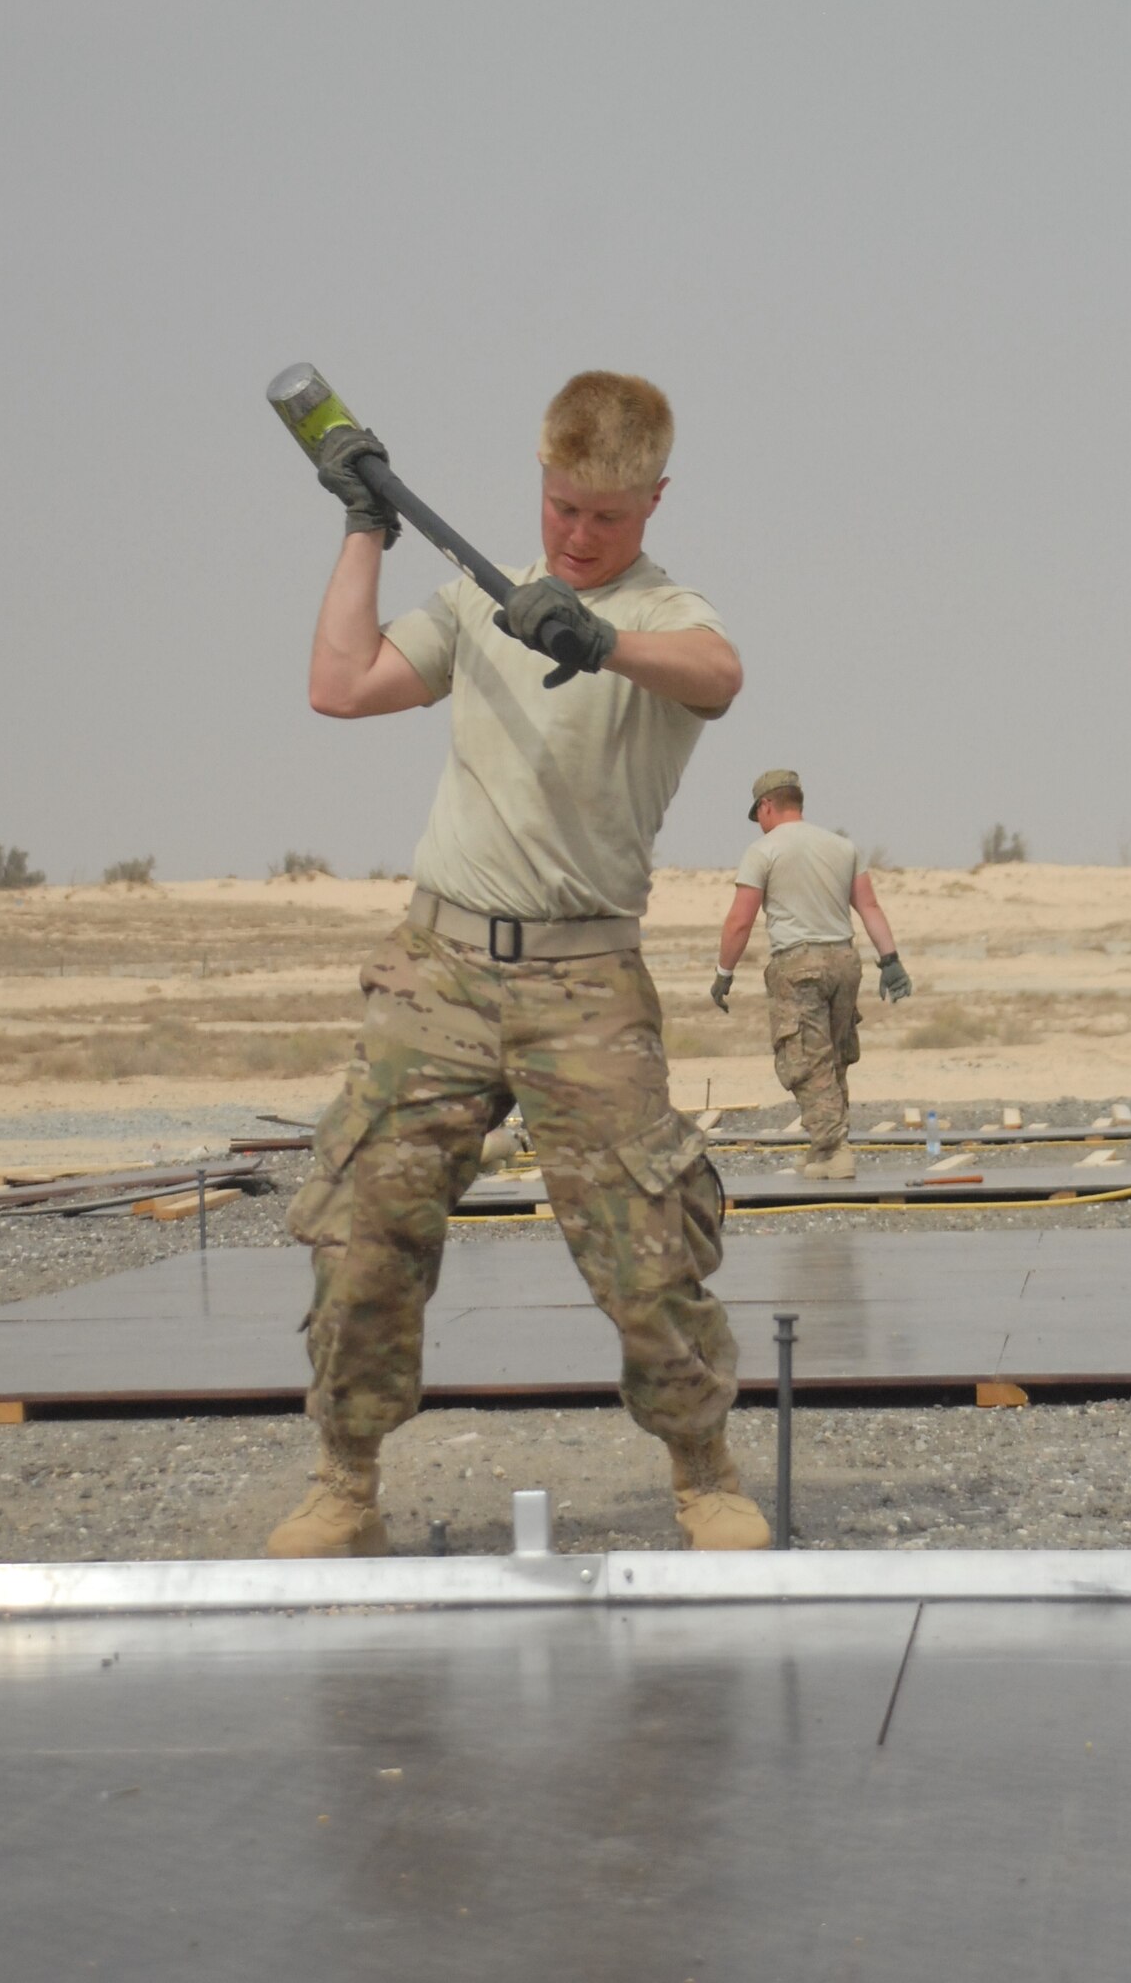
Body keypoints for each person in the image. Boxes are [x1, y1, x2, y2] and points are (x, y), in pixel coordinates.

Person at [267, 371, 771, 1558]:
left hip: (583, 981)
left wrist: (600, 639)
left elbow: (719, 674)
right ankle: (344, 1479)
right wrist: (361, 530)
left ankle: (703, 1470)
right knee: (364, 1227)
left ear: (652, 499)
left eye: (602, 515)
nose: (575, 536)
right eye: (557, 510)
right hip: (437, 967)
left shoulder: (666, 612)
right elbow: (337, 687)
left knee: (647, 1249)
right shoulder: (474, 601)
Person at [711, 770, 912, 1178]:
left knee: (805, 1059)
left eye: (759, 814)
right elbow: (868, 907)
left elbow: (739, 921)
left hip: (797, 964)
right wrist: (890, 959)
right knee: (833, 1056)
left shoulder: (763, 851)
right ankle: (823, 1149)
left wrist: (723, 972)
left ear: (767, 805)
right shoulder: (841, 847)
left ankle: (835, 1150)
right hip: (844, 960)